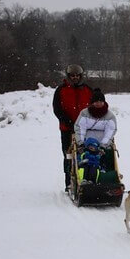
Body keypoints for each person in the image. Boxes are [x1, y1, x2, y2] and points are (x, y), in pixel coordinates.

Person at [53, 64, 93, 192]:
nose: (75, 78)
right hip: (67, 129)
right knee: (68, 155)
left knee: (87, 153)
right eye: (72, 76)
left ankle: (86, 179)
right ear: (68, 76)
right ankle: (69, 182)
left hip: (85, 129)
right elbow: (57, 109)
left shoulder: (87, 90)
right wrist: (69, 123)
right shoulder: (61, 90)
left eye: (77, 76)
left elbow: (93, 108)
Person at [74, 88, 117, 153]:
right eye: (96, 102)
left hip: (102, 142)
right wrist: (81, 143)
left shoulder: (110, 116)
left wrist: (103, 145)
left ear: (104, 102)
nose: (99, 104)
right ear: (92, 102)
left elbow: (110, 131)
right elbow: (80, 128)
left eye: (101, 102)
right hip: (86, 141)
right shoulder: (84, 113)